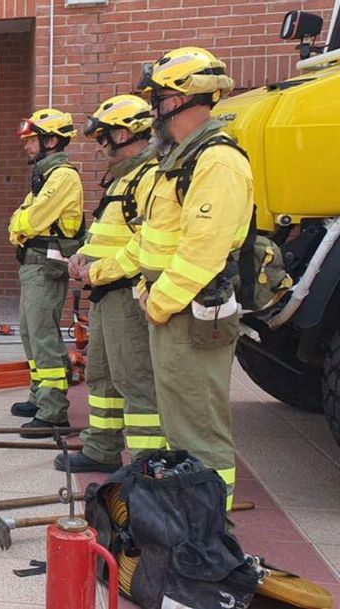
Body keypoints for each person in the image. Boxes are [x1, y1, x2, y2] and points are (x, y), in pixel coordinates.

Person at [134, 47, 251, 509]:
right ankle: (184, 515)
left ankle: (209, 533)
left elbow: (202, 250)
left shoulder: (216, 161)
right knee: (177, 419)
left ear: (184, 99)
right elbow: (158, 240)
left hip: (191, 311)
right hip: (170, 307)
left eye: (157, 98)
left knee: (200, 428)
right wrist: (150, 290)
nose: (153, 109)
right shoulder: (182, 158)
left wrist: (157, 300)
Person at [57, 95, 163, 473]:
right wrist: (83, 255)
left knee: (134, 378)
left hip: (126, 293)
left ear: (123, 134)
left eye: (104, 138)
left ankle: (147, 464)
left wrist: (98, 271)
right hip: (105, 292)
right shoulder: (123, 178)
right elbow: (111, 233)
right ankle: (101, 448)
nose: (101, 147)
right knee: (101, 372)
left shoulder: (150, 177)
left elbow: (148, 241)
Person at [8, 109, 85, 437]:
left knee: (42, 334)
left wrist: (20, 224)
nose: (27, 147)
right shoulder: (45, 177)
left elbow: (30, 220)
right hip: (33, 264)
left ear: (51, 141)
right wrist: (20, 223)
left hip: (46, 266)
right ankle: (40, 396)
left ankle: (54, 411)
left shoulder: (63, 177)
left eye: (32, 141)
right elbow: (19, 219)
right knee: (29, 331)